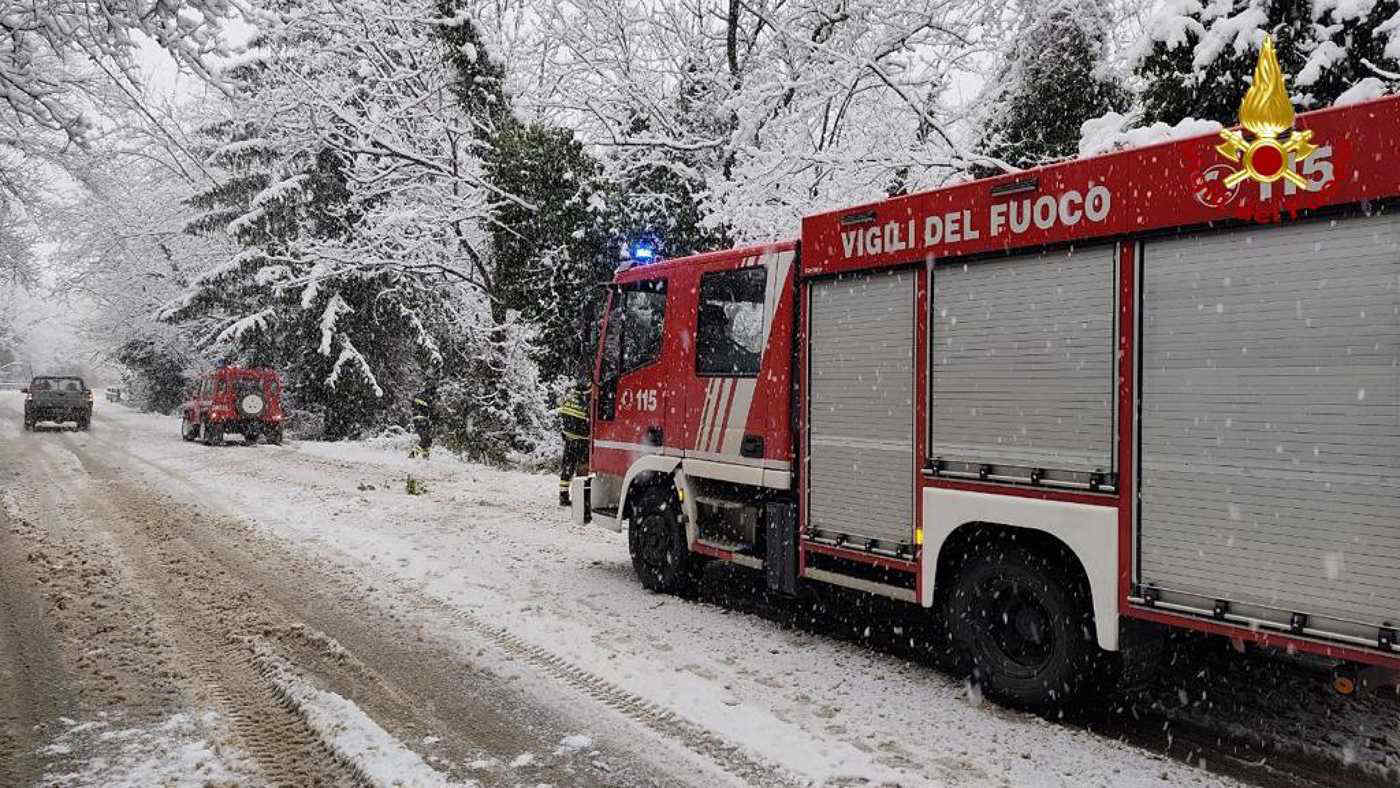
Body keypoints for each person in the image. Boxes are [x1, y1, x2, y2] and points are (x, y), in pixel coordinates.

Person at [556, 380, 590, 506]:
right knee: (582, 468)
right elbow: (587, 421)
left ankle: (563, 496)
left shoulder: (569, 398)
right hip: (581, 440)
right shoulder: (585, 402)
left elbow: (564, 415)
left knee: (567, 467)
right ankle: (579, 498)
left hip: (569, 439)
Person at [411, 382, 437, 459]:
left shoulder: (420, 396)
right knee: (426, 438)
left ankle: (425, 457)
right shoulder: (427, 398)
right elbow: (430, 409)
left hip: (420, 419)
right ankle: (413, 455)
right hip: (422, 419)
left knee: (427, 439)